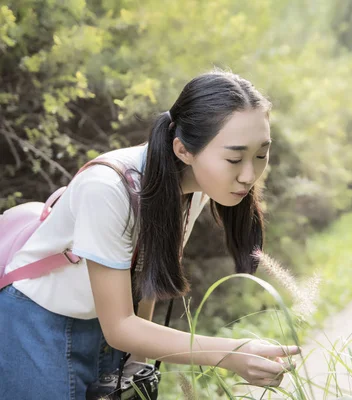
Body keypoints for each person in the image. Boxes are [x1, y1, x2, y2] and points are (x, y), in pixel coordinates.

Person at [0, 70, 300, 398]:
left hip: (108, 325)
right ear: (183, 149)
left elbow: (148, 273)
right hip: (39, 324)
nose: (249, 175)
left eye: (260, 155)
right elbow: (120, 327)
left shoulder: (196, 184)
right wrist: (230, 354)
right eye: (234, 158)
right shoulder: (107, 188)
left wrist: (137, 361)